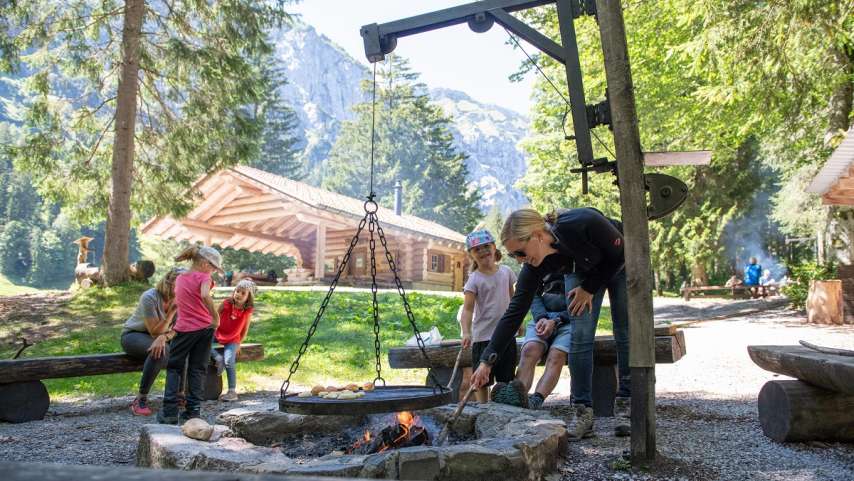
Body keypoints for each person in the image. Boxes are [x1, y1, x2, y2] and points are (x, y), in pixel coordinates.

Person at [470, 208, 631, 440]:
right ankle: (583, 411)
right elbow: (514, 312)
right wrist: (486, 360)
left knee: (624, 332)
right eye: (514, 256)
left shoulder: (581, 222)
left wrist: (589, 288)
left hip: (619, 260)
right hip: (581, 267)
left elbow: (619, 254)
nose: (519, 260)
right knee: (580, 336)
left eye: (520, 252)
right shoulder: (535, 264)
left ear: (536, 235)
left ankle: (627, 404)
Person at [157, 245, 223, 424]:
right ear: (203, 263)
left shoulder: (180, 279)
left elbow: (183, 306)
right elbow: (203, 294)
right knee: (197, 369)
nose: (214, 270)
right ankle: (193, 412)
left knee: (174, 368)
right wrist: (215, 316)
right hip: (205, 329)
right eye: (213, 266)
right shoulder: (205, 277)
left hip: (184, 330)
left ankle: (169, 411)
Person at [459, 229, 517, 403]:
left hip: (506, 336)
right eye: (477, 249)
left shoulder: (506, 272)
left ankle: (504, 407)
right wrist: (466, 332)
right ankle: (483, 408)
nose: (483, 251)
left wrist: (518, 322)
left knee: (506, 377)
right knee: (482, 380)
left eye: (486, 246)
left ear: (494, 247)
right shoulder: (474, 279)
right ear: (471, 255)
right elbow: (467, 309)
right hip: (483, 336)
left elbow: (514, 301)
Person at [121, 267, 184, 416]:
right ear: (170, 282)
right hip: (134, 335)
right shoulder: (150, 297)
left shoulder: (184, 298)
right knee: (162, 351)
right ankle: (140, 398)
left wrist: (165, 337)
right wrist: (172, 313)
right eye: (181, 283)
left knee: (182, 347)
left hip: (162, 336)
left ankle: (179, 395)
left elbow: (181, 328)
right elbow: (154, 331)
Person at [515, 273, 572, 411]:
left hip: (570, 320)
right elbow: (533, 293)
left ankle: (536, 400)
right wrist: (541, 317)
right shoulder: (541, 260)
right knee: (529, 350)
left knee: (556, 356)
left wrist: (557, 320)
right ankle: (518, 400)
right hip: (543, 317)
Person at [212, 279, 256, 402]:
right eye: (237, 291)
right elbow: (215, 316)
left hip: (233, 339)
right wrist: (211, 329)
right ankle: (217, 358)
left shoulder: (247, 311)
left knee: (229, 361)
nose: (239, 294)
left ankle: (232, 391)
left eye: (243, 293)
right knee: (200, 342)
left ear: (248, 297)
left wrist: (239, 344)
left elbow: (245, 330)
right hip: (217, 333)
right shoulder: (226, 303)